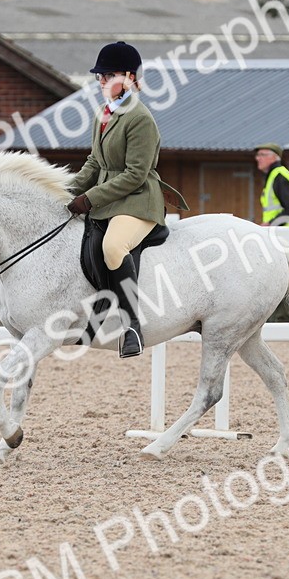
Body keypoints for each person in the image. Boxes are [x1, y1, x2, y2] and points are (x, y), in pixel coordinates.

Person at [66, 41, 169, 358]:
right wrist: (66, 189)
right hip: (110, 200)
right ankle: (96, 314)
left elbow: (135, 174)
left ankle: (132, 327)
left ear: (129, 77)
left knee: (113, 246)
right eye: (99, 76)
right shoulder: (103, 114)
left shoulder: (140, 118)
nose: (101, 81)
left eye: (108, 75)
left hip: (138, 200)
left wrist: (89, 198)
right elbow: (94, 163)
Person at [254, 142, 289, 322]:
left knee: (280, 276)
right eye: (258, 155)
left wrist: (271, 224)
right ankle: (277, 317)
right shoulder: (274, 175)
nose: (258, 158)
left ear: (274, 157)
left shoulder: (279, 175)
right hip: (280, 232)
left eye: (262, 154)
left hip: (285, 233)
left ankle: (281, 318)